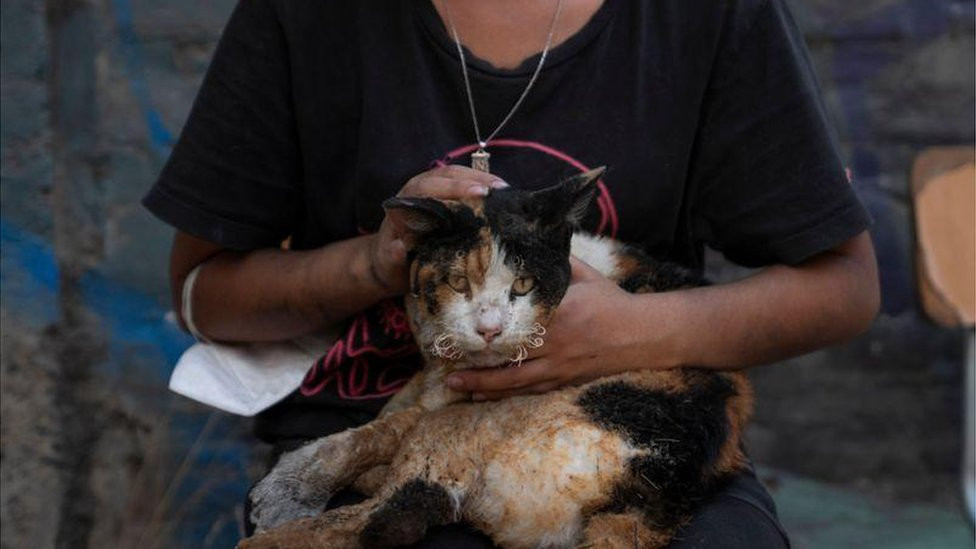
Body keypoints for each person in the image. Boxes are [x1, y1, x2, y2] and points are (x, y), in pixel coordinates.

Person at [143, 0, 879, 546]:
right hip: (382, 444)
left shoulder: (709, 17)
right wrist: (373, 261)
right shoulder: (308, 19)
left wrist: (628, 334)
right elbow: (203, 293)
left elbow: (844, 287)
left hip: (624, 433)